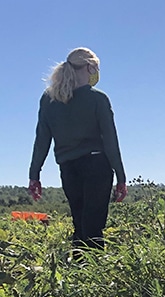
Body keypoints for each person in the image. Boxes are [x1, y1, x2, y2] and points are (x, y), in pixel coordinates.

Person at [28, 47, 128, 251]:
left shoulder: (49, 100)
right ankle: (93, 275)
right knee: (93, 226)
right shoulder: (98, 99)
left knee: (80, 223)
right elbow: (111, 141)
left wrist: (34, 174)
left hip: (68, 167)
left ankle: (79, 272)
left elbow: (42, 140)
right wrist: (121, 177)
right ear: (89, 68)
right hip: (97, 166)